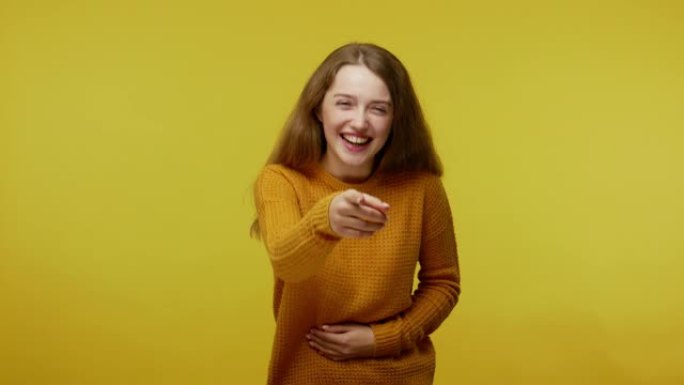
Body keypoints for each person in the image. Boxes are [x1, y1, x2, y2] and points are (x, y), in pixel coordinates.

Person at [251, 42, 460, 385]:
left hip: (400, 375)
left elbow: (444, 283)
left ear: (396, 119)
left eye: (378, 109)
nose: (360, 122)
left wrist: (384, 339)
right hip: (310, 375)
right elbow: (287, 262)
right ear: (319, 108)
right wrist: (326, 219)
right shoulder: (281, 180)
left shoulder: (422, 187)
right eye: (344, 103)